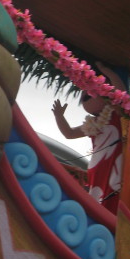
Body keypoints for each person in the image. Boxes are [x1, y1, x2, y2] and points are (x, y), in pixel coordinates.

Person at [52, 66, 125, 212]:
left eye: (91, 93)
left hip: (114, 162)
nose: (86, 96)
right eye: (85, 96)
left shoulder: (116, 113)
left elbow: (121, 97)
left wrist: (110, 72)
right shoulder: (92, 124)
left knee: (113, 189)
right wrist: (59, 117)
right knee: (96, 195)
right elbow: (69, 133)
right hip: (97, 166)